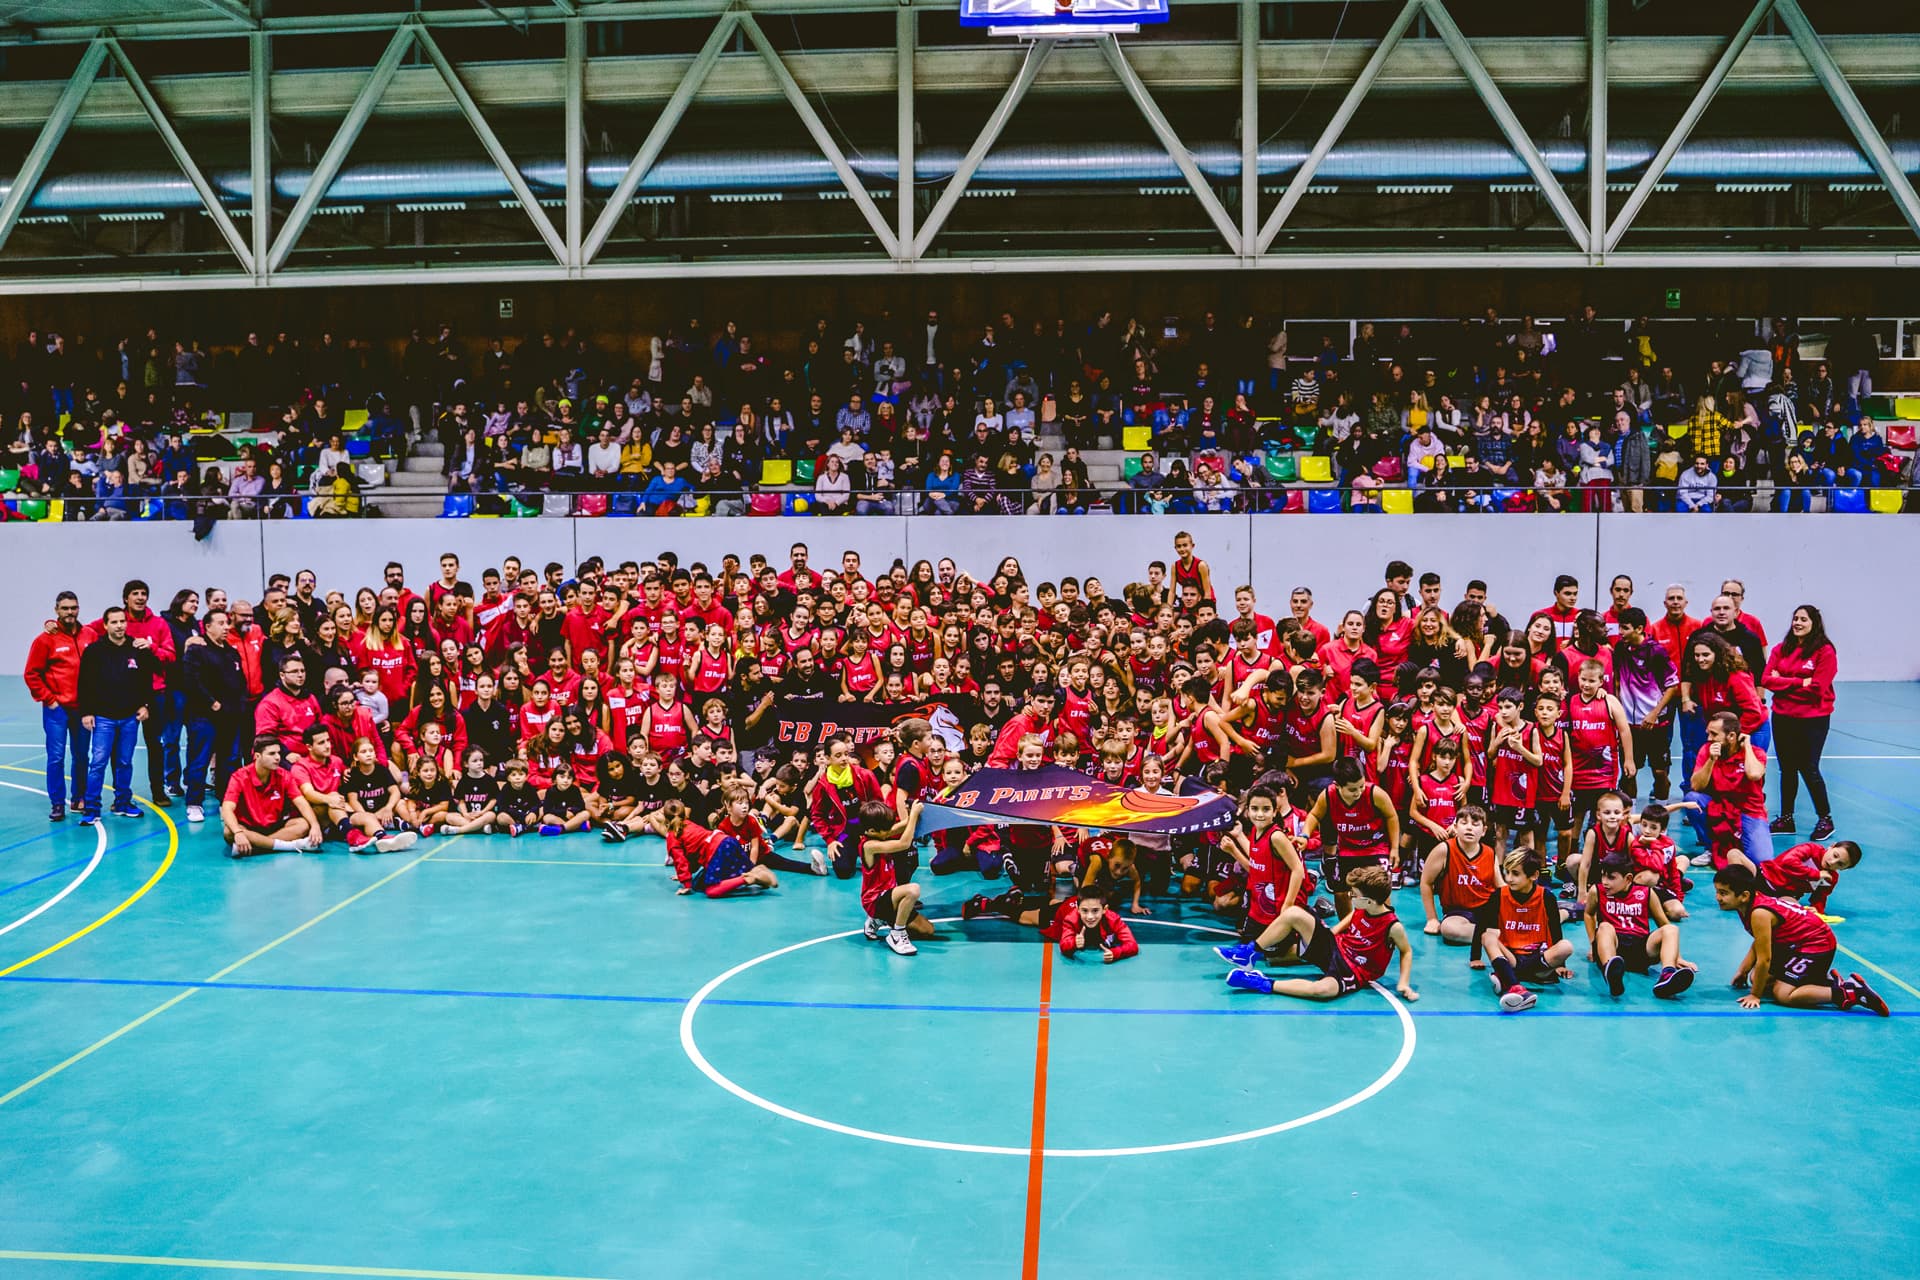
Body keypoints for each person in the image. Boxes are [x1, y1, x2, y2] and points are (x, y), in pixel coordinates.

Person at [1216, 864, 1417, 1003]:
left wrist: (1403, 983)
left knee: (1322, 990)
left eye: (1354, 895)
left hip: (1352, 971)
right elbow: (1354, 915)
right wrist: (1332, 932)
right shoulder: (1364, 907)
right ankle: (1250, 952)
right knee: (1295, 913)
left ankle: (1262, 983)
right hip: (1335, 948)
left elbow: (1406, 951)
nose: (1350, 896)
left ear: (1371, 901)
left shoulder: (1393, 926)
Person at [1712, 864, 1886, 1015]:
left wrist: (1754, 995)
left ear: (1743, 895)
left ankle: (1848, 992)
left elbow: (1765, 959)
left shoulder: (1759, 913)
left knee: (1783, 995)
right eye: (1717, 892)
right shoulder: (1749, 904)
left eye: (1723, 893)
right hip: (1796, 944)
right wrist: (1743, 971)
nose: (1717, 898)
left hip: (1817, 944)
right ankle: (1821, 981)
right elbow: (1760, 941)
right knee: (1757, 979)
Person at [75, 605, 157, 825]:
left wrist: (145, 705)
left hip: (130, 717)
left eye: (122, 621)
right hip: (103, 718)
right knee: (98, 763)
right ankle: (92, 808)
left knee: (124, 762)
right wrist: (86, 712)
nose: (119, 625)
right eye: (114, 622)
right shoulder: (94, 651)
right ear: (105, 625)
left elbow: (147, 680)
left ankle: (122, 803)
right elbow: (85, 684)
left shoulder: (137, 648)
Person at [1761, 604, 1837, 840]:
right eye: (1795, 619)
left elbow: (1817, 689)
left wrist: (1782, 681)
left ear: (1814, 623)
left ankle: (1825, 819)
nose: (1798, 623)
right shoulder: (1781, 649)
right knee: (1787, 769)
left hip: (1812, 720)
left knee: (1809, 768)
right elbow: (1765, 680)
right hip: (1783, 717)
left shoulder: (1824, 652)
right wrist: (1798, 682)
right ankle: (1786, 818)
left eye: (1803, 619)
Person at [1475, 849, 1573, 1013]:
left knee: (1566, 946)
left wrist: (1561, 965)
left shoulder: (1546, 897)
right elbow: (1481, 924)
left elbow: (1555, 930)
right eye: (1507, 872)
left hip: (1539, 960)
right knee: (1488, 937)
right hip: (1511, 958)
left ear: (1534, 876)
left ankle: (1507, 977)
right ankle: (1517, 988)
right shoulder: (1499, 895)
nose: (1509, 878)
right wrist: (1475, 958)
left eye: (1515, 874)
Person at [1585, 856, 1695, 999]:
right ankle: (1610, 971)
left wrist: (1677, 957)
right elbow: (1588, 914)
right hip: (1614, 947)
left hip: (1641, 948)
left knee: (1671, 929)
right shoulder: (1597, 891)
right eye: (1603, 876)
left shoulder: (1646, 893)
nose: (1605, 882)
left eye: (1611, 878)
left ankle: (1667, 975)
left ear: (1628, 878)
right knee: (1605, 926)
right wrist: (1594, 944)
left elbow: (1664, 923)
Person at [179, 607, 248, 825]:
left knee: (228, 761)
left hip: (230, 716)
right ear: (207, 627)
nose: (226, 627)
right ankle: (194, 803)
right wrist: (212, 702)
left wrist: (239, 706)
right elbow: (191, 681)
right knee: (199, 760)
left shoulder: (231, 652)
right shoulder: (197, 651)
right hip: (204, 717)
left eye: (227, 623)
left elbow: (240, 682)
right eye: (220, 623)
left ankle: (224, 803)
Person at [24, 590, 86, 822]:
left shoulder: (88, 634)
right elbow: (31, 674)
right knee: (56, 757)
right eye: (65, 608)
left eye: (74, 608)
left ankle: (79, 798)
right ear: (56, 610)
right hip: (57, 710)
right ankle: (58, 803)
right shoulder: (45, 640)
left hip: (83, 709)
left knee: (82, 756)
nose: (70, 612)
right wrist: (49, 699)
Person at [1685, 711, 1770, 870]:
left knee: (1761, 861)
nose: (1709, 738)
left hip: (1749, 812)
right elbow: (1696, 786)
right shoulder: (1707, 750)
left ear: (1731, 736)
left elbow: (1754, 774)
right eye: (1708, 733)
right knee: (1692, 799)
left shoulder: (1756, 753)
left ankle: (1739, 844)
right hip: (1719, 806)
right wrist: (1711, 760)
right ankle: (1711, 848)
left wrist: (1748, 748)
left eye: (1714, 734)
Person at [220, 733, 321, 859]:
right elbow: (227, 808)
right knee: (229, 832)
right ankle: (290, 846)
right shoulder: (239, 777)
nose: (278, 758)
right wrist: (238, 832)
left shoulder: (284, 775)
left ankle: (257, 847)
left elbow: (301, 802)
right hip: (249, 828)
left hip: (275, 827)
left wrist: (315, 825)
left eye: (278, 753)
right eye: (272, 754)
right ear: (257, 756)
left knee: (303, 824)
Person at [1417, 805, 1498, 958]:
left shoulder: (1489, 852)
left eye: (1475, 824)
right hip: (1459, 912)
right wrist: (1432, 919)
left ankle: (1558, 912)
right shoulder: (1444, 849)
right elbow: (1426, 882)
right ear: (1455, 827)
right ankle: (1501, 935)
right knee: (1449, 929)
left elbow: (1501, 887)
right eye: (1464, 823)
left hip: (1488, 908)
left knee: (1532, 913)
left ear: (1484, 831)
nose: (1469, 828)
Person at [858, 799, 932, 956]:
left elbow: (902, 825)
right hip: (875, 901)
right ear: (871, 831)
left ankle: (876, 920)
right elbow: (904, 843)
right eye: (885, 830)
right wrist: (913, 815)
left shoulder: (878, 833)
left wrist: (914, 812)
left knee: (928, 931)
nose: (888, 831)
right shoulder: (869, 846)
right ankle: (897, 934)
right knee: (913, 890)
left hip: (890, 896)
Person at [1758, 839, 1860, 916]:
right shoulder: (1811, 849)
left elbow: (1820, 895)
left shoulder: (1829, 878)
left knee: (1793, 913)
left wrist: (1817, 908)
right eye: (1835, 855)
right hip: (1763, 877)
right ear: (1831, 846)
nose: (1832, 862)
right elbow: (1787, 862)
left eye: (1840, 864)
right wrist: (1816, 874)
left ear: (1844, 869)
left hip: (1784, 894)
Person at [1044, 885, 1139, 963]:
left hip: (1077, 902)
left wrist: (1116, 953)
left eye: (1095, 911)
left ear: (1105, 909)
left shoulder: (1113, 919)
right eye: (1085, 911)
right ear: (1078, 909)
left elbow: (1132, 945)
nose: (1090, 917)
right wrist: (1074, 943)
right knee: (1032, 918)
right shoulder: (1070, 920)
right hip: (1060, 911)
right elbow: (1064, 945)